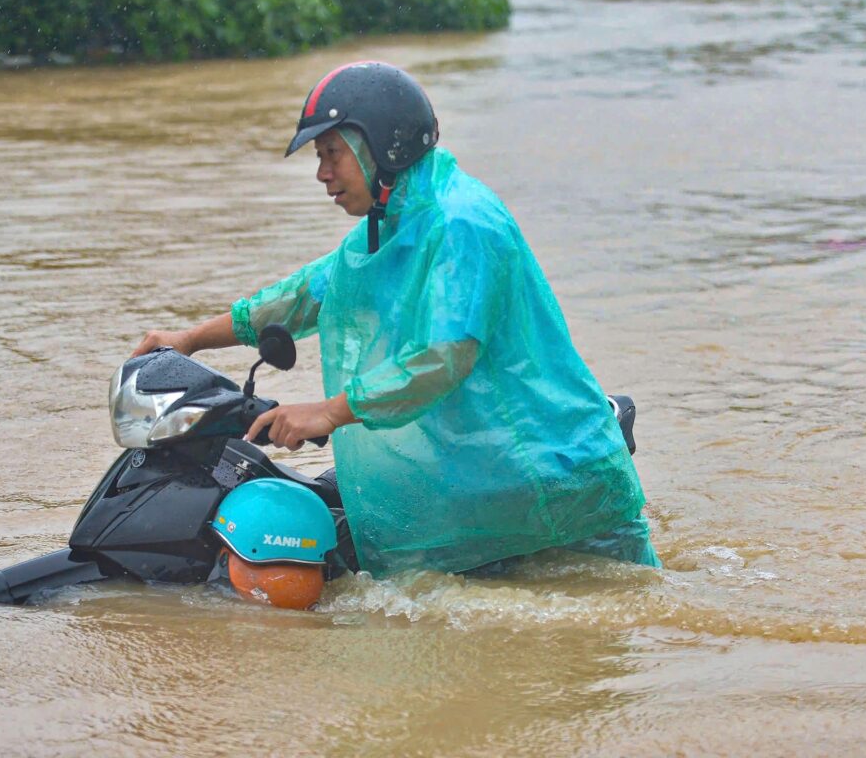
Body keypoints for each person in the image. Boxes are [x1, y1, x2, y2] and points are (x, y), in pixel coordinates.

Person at [134, 61, 660, 578]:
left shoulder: (463, 223)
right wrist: (189, 339)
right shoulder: (391, 227)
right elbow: (302, 295)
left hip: (546, 481)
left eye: (332, 153)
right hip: (485, 481)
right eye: (320, 157)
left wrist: (332, 411)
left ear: (385, 145)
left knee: (613, 625)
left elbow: (443, 357)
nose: (322, 174)